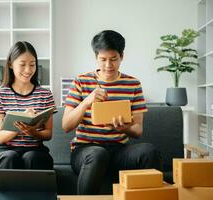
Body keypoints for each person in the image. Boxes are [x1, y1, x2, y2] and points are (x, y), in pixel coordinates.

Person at [62, 30, 162, 195]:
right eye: (103, 59)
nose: (108, 65)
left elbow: (138, 130)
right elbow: (66, 125)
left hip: (118, 150)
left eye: (114, 59)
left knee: (149, 151)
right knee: (97, 153)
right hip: (85, 150)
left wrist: (123, 128)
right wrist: (87, 101)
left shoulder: (133, 84)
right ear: (96, 57)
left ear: (122, 56)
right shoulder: (81, 81)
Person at [0, 41, 55, 176]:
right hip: (5, 150)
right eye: (22, 64)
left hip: (36, 151)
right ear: (11, 64)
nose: (28, 70)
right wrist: (22, 123)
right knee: (10, 157)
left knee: (31, 158)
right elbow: (0, 137)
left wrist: (33, 132)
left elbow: (48, 134)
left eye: (32, 64)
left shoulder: (45, 95)